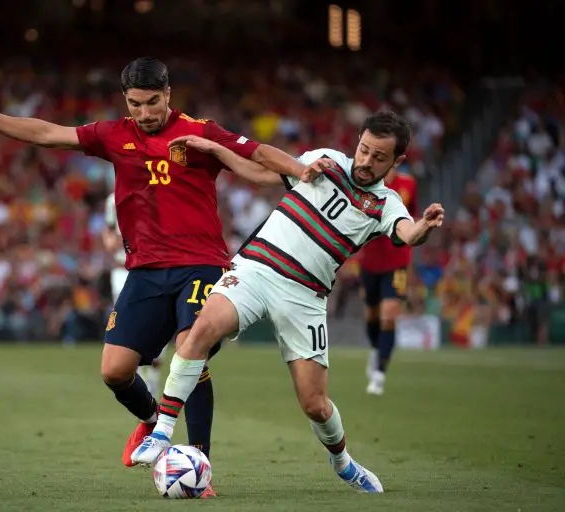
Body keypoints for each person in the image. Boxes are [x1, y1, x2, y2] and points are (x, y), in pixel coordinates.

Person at [0, 57, 314, 498]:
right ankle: (155, 422)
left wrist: (301, 169)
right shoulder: (112, 135)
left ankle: (199, 463)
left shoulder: (201, 131)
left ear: (168, 95)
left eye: (153, 102)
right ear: (126, 101)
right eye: (136, 104)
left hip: (202, 263)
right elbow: (44, 133)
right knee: (115, 372)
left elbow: (259, 154)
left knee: (190, 351)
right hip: (145, 270)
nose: (145, 112)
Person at [131, 111, 445, 494]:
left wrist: (424, 227)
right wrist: (214, 148)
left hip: (305, 297)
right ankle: (162, 431)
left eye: (379, 157)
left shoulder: (386, 204)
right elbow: (264, 174)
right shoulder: (326, 160)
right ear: (357, 141)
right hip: (256, 270)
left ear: (396, 162)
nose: (366, 161)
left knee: (315, 404)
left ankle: (343, 463)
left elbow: (407, 233)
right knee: (200, 330)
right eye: (363, 149)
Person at [358, 168, 419, 395]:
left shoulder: (409, 184)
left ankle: (380, 374)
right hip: (371, 262)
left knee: (389, 314)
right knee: (372, 315)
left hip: (398, 262)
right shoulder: (366, 183)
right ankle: (375, 350)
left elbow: (412, 217)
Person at [102, 192, 163, 399]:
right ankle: (136, 373)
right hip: (122, 269)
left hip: (150, 268)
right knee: (129, 319)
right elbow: (109, 230)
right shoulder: (113, 199)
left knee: (156, 320)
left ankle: (152, 369)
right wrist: (110, 241)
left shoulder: (156, 192)